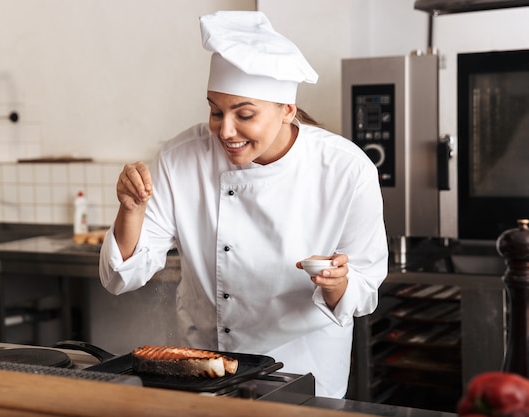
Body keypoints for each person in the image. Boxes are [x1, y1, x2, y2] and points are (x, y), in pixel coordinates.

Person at [99, 10, 388, 398]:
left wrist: (338, 284)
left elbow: (365, 291)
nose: (226, 131)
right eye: (216, 111)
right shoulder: (181, 158)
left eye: (244, 114)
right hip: (202, 368)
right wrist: (130, 210)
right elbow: (122, 278)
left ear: (287, 110)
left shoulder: (346, 169)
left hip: (303, 374)